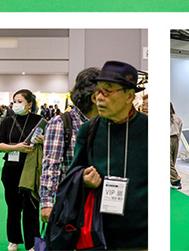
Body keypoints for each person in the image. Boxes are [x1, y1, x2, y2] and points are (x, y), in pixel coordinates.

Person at [68, 61, 148, 249]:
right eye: (98, 91)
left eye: (108, 91)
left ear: (129, 96)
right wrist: (83, 179)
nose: (99, 98)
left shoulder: (148, 129)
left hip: (142, 236)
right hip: (98, 234)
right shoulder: (89, 130)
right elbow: (72, 174)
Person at [40, 66, 100, 222]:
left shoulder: (106, 122)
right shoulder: (61, 123)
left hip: (102, 200)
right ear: (93, 97)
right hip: (72, 199)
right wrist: (47, 203)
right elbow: (51, 164)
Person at [0, 89, 43, 251]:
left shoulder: (39, 121)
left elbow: (49, 143)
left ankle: (32, 243)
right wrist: (16, 147)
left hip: (32, 169)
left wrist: (43, 140)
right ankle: (13, 239)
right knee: (13, 207)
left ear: (29, 104)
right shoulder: (7, 121)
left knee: (32, 206)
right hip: (11, 169)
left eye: (20, 101)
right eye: (14, 101)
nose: (16, 104)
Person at [170, 102, 183, 190]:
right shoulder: (176, 118)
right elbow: (180, 128)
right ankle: (173, 179)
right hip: (175, 139)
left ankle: (176, 180)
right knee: (172, 161)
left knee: (169, 163)